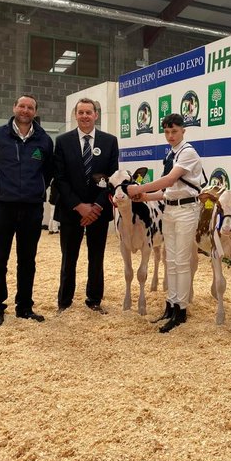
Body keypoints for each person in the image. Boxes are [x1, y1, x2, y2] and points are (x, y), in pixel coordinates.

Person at [0, 95, 54, 327]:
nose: (25, 110)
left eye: (30, 107)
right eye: (22, 106)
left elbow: (49, 171)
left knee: (27, 260)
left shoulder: (44, 140)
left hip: (31, 209)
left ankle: (24, 307)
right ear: (14, 108)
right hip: (1, 208)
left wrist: (36, 190)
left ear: (35, 112)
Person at [126, 113, 204, 333]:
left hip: (187, 210)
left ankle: (181, 310)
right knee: (171, 260)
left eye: (174, 131)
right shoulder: (171, 154)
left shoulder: (187, 152)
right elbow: (167, 191)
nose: (170, 135)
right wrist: (146, 197)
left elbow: (170, 180)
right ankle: (170, 305)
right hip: (170, 209)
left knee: (180, 261)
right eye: (167, 132)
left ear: (183, 131)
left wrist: (139, 188)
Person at [53, 98, 119, 314]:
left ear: (96, 115)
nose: (84, 116)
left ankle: (94, 300)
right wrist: (79, 206)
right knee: (68, 258)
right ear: (75, 115)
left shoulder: (110, 141)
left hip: (98, 212)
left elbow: (112, 178)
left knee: (96, 257)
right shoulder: (62, 141)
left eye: (88, 112)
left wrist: (97, 207)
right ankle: (64, 302)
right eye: (80, 112)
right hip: (71, 210)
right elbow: (60, 179)